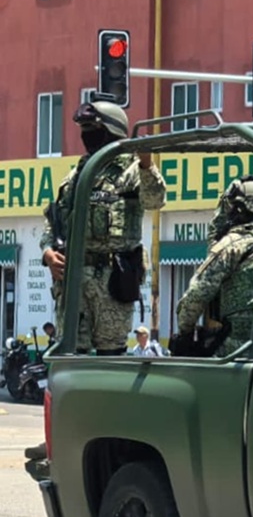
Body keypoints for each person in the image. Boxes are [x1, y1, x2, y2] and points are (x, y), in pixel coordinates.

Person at [39, 97, 166, 355]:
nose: (87, 136)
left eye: (92, 130)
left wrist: (146, 164)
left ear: (112, 132)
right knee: (72, 355)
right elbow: (54, 222)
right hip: (74, 282)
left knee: (111, 357)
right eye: (84, 130)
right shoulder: (76, 176)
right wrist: (47, 253)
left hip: (113, 282)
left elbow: (155, 200)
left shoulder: (131, 170)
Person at [173, 187, 253, 357]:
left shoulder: (233, 244)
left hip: (239, 351)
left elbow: (197, 295)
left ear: (241, 209)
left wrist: (185, 332)